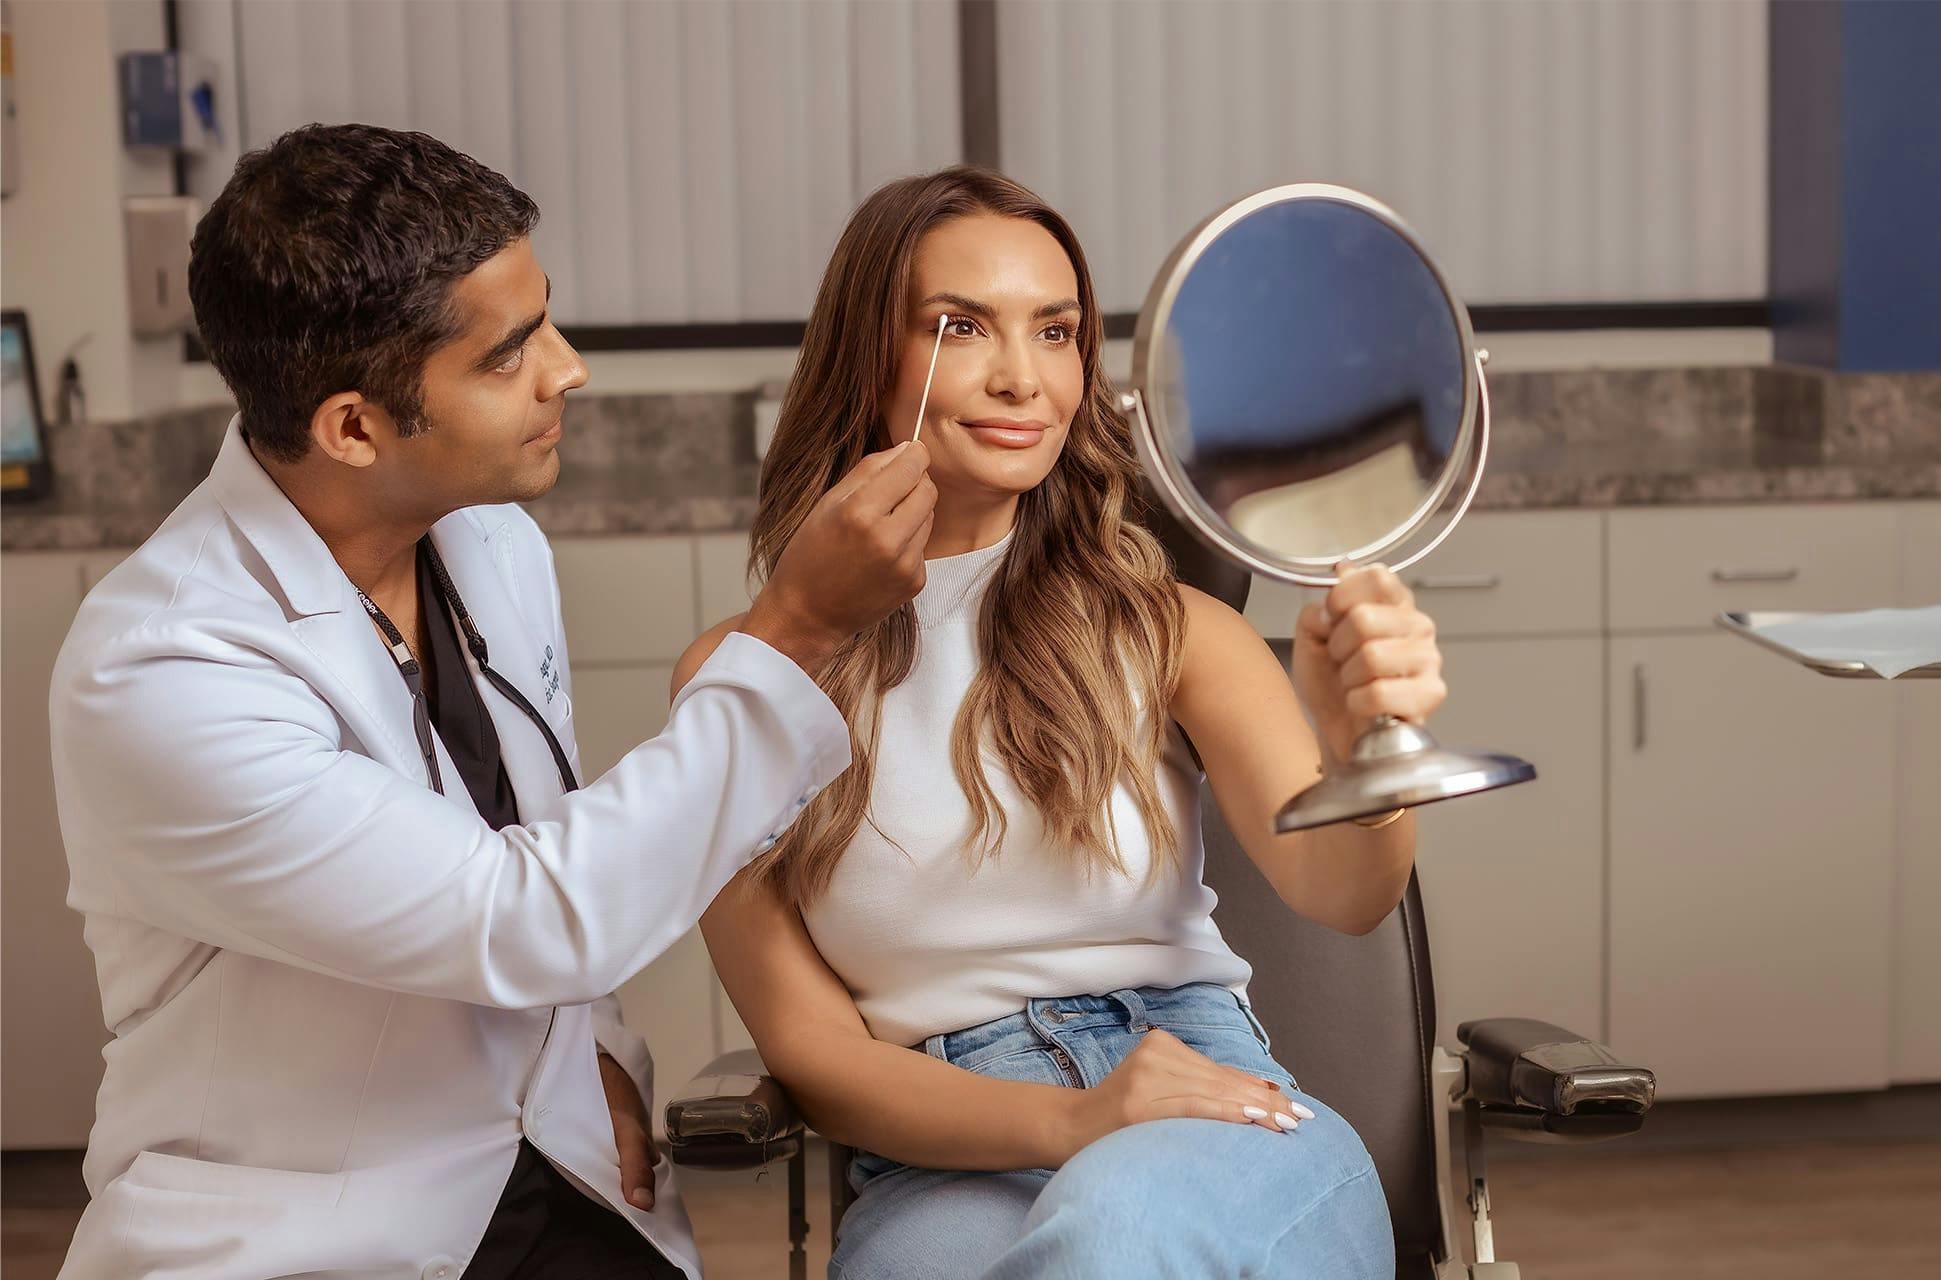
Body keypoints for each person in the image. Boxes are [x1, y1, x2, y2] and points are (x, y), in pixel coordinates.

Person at [47, 124, 935, 1280]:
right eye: (509, 354)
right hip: (308, 1227)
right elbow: (518, 913)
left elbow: (549, 833)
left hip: (548, 1171)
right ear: (353, 426)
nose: (568, 369)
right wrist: (798, 627)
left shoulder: (489, 543)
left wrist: (592, 1054)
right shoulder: (164, 670)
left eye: (547, 319)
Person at [680, 167, 1449, 1279]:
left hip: (1212, 1108)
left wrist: (1359, 752)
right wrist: (1071, 1121)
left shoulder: (1171, 631)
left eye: (1055, 332)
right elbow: (809, 1050)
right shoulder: (742, 676)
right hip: (935, 1157)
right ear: (869, 355)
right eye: (959, 325)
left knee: (1113, 1237)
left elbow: (1347, 890)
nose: (1019, 378)